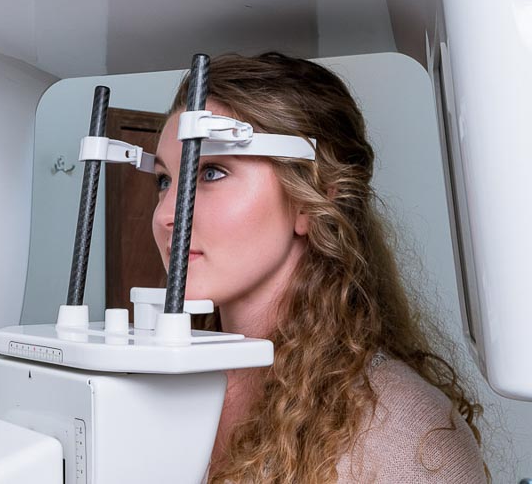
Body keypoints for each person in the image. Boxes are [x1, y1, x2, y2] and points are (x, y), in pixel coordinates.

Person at [151, 53, 487, 483]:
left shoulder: (408, 432)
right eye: (164, 180)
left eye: (212, 172)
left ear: (312, 201)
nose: (165, 214)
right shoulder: (168, 386)